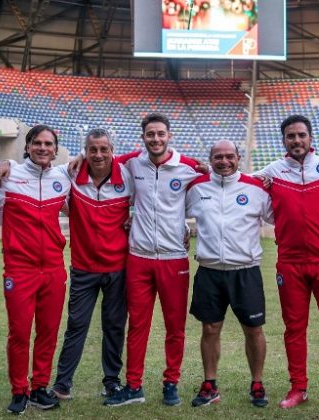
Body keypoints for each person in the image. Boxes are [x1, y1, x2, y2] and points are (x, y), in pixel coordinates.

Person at [253, 114, 319, 410]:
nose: (296, 140)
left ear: (311, 138)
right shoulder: (272, 171)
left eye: (301, 135)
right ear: (283, 140)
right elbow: (237, 180)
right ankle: (298, 387)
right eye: (290, 136)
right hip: (291, 264)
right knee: (293, 328)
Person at [103, 112, 201, 407]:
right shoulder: (132, 163)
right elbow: (102, 157)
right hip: (139, 258)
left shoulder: (189, 167)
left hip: (174, 259)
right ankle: (134, 386)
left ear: (169, 135)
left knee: (175, 326)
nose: (155, 139)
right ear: (143, 137)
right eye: (150, 134)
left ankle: (171, 382)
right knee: (138, 325)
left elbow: (220, 180)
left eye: (160, 134)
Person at [0, 125, 71, 414]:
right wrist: (6, 163)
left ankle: (39, 388)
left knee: (48, 332)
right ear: (28, 146)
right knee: (19, 333)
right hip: (19, 269)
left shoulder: (63, 177)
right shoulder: (10, 175)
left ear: (56, 149)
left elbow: (81, 206)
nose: (43, 148)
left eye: (49, 144)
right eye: (37, 143)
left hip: (53, 268)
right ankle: (19, 390)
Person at [185, 140, 274, 408]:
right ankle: (210, 383)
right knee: (210, 328)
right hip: (210, 271)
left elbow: (277, 217)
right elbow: (172, 209)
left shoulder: (257, 187)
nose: (224, 161)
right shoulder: (197, 187)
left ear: (239, 157)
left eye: (229, 156)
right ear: (210, 159)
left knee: (254, 329)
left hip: (245, 271)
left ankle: (257, 383)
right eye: (218, 157)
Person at [51, 129, 134, 404]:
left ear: (113, 150)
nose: (98, 155)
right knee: (76, 325)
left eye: (104, 149)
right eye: (92, 149)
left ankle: (112, 382)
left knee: (114, 326)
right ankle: (62, 383)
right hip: (83, 268)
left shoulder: (128, 175)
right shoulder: (70, 173)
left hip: (118, 268)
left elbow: (153, 200)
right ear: (84, 150)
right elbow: (38, 168)